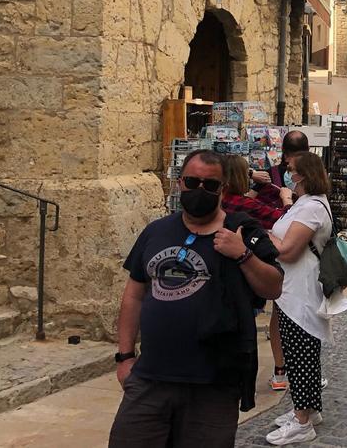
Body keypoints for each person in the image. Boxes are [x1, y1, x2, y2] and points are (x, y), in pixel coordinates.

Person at [109, 150, 283, 448]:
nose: (200, 190)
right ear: (180, 184)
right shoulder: (156, 231)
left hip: (213, 384)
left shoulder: (243, 230)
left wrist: (242, 254)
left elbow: (273, 288)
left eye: (210, 185)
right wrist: (125, 357)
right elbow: (134, 295)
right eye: (192, 181)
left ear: (223, 189)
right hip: (151, 377)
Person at [264, 152, 335, 445]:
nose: (286, 174)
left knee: (301, 355)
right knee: (298, 354)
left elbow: (289, 250)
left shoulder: (312, 209)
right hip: (292, 289)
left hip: (301, 292)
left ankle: (302, 421)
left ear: (302, 175)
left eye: (290, 170)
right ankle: (309, 410)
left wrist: (265, 236)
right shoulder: (303, 204)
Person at [251, 130, 309, 391]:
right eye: (291, 156)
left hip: (298, 249)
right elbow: (248, 199)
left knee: (296, 310)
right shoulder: (269, 175)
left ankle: (296, 368)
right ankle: (281, 368)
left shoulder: (311, 175)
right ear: (284, 155)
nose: (293, 161)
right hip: (273, 248)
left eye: (299, 156)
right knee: (279, 307)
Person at [221, 155, 289, 230]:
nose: (249, 177)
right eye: (247, 173)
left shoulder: (218, 199)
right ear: (242, 177)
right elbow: (283, 219)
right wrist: (287, 199)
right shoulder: (247, 204)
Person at [252, 130, 310, 207]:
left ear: (282, 149)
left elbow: (249, 199)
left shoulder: (268, 175)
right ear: (308, 149)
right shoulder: (314, 176)